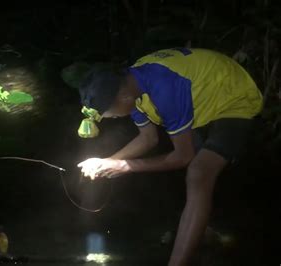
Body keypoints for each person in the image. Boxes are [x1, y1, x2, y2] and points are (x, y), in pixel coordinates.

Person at [76, 48, 263, 266]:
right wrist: (107, 162)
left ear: (123, 97)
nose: (114, 118)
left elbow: (183, 156)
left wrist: (126, 166)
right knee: (178, 168)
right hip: (201, 101)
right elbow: (148, 139)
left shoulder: (163, 89)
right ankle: (202, 230)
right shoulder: (130, 84)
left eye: (113, 114)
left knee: (198, 172)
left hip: (234, 98)